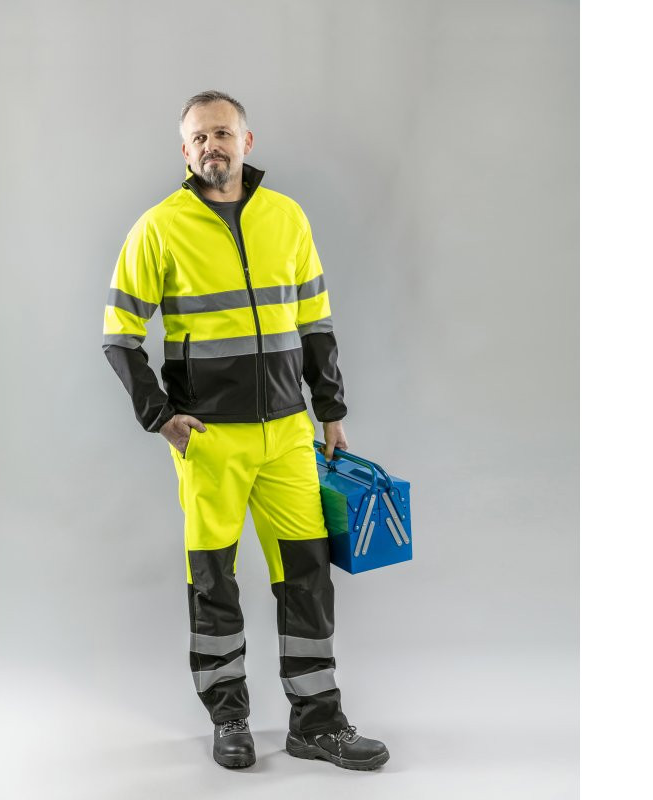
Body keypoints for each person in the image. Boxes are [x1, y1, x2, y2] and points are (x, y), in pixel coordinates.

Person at [101, 90, 390, 771]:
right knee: (214, 581)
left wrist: (331, 411)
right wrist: (160, 417)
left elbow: (316, 322)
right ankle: (228, 718)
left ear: (247, 141)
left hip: (289, 434)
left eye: (223, 133)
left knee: (307, 577)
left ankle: (317, 723)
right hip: (209, 442)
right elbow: (118, 335)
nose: (212, 146)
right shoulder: (159, 228)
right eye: (199, 137)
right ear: (185, 150)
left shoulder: (286, 218)